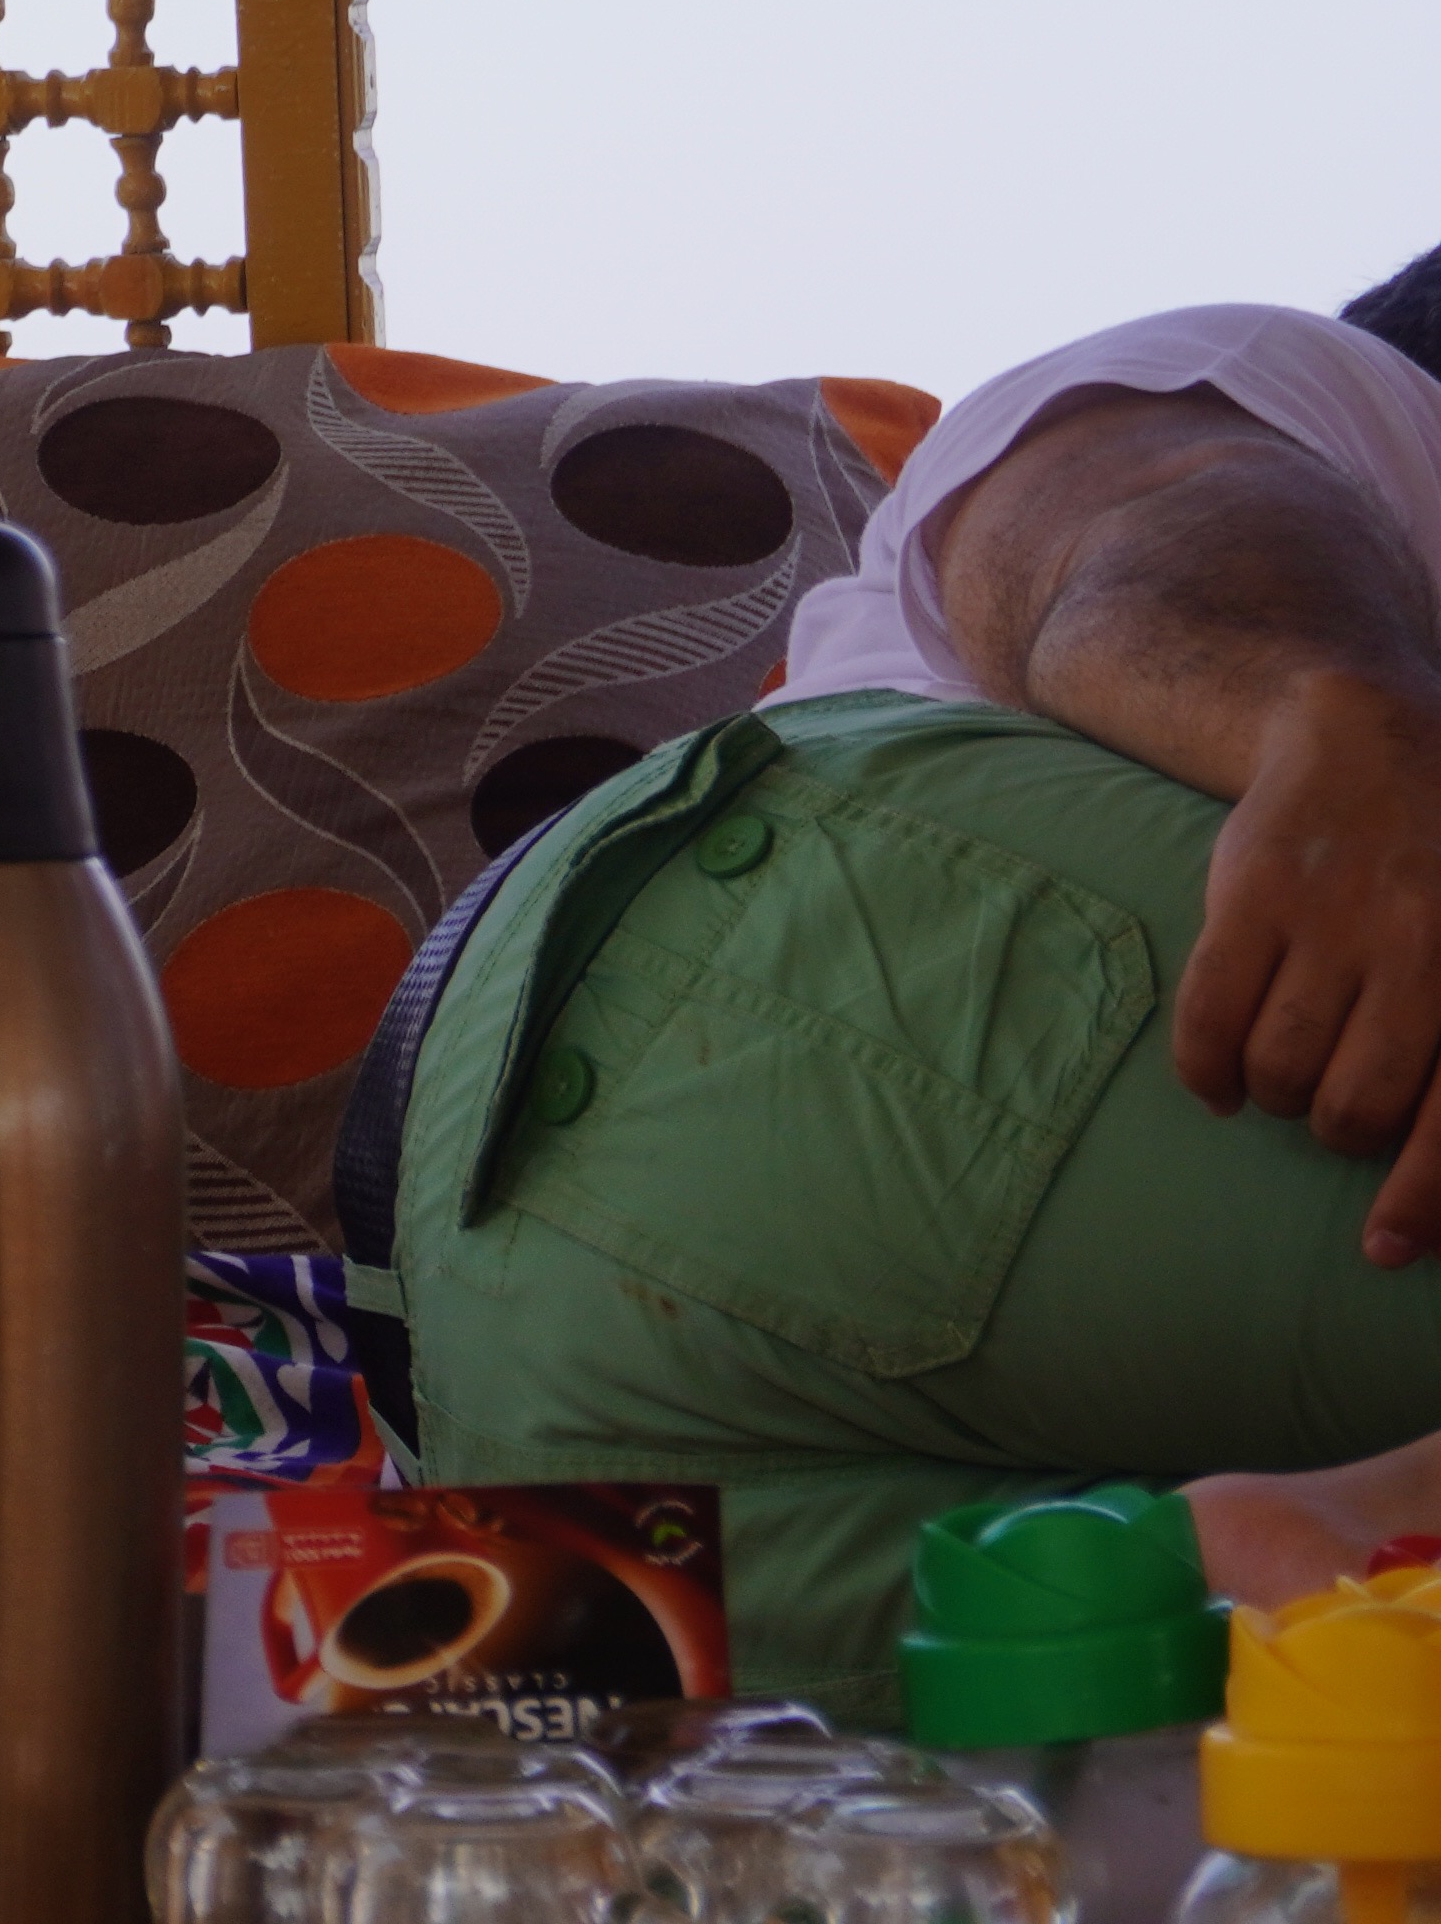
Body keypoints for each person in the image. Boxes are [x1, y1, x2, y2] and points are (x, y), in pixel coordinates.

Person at [366, 251, 1441, 1712]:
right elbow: (1123, 484)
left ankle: (1321, 1526)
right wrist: (1343, 712)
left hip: (524, 1410)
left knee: (1086, 1771)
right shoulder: (1330, 393)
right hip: (833, 983)